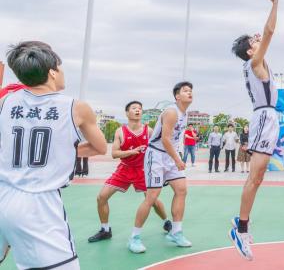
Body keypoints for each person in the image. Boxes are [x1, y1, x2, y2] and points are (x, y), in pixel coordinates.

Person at [0, 41, 107, 269]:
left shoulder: (5, 102)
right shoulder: (76, 107)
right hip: (39, 206)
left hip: (3, 192)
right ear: (52, 72)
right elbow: (100, 148)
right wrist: (58, 150)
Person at [229, 0, 280, 261]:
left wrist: (258, 43)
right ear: (251, 51)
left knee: (258, 177)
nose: (259, 40)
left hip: (268, 118)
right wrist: (275, 3)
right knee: (255, 176)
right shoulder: (254, 62)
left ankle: (242, 224)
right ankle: (241, 228)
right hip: (263, 118)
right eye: (254, 42)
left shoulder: (257, 62)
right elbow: (269, 32)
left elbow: (263, 42)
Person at [88, 101, 171, 243]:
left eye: (140, 108)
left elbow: (160, 150)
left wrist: (163, 170)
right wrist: (131, 152)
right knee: (101, 197)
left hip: (144, 170)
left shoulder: (149, 131)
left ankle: (166, 221)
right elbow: (114, 153)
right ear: (127, 113)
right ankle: (105, 230)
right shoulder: (120, 131)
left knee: (153, 201)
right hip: (125, 169)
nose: (138, 110)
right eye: (134, 108)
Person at [128, 82, 194, 253]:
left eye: (191, 90)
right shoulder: (171, 112)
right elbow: (165, 139)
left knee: (181, 190)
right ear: (177, 96)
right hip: (156, 155)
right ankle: (134, 237)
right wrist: (178, 159)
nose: (190, 93)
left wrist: (176, 157)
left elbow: (174, 139)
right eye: (185, 91)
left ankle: (176, 232)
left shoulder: (185, 113)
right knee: (152, 197)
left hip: (170, 155)